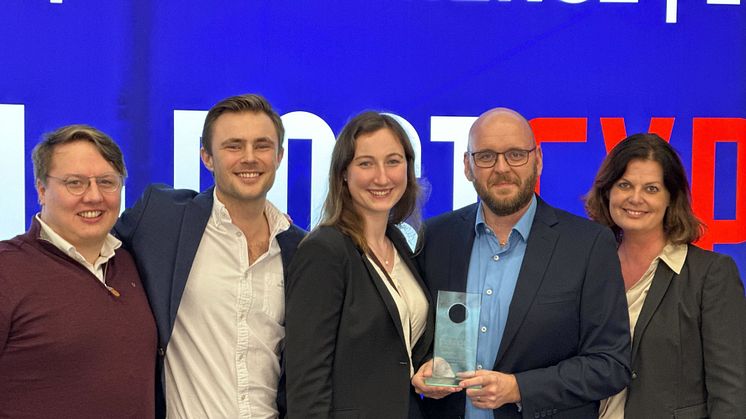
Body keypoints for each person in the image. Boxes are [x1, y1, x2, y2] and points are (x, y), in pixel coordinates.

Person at [412, 108, 631, 419]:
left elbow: (610, 364)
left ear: (538, 159)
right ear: (467, 166)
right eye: (486, 156)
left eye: (516, 154)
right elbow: (418, 340)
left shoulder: (587, 245)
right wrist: (424, 370)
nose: (502, 168)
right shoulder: (435, 238)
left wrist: (519, 388)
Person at [114, 94, 305, 418]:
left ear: (279, 156)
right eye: (233, 146)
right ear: (207, 157)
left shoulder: (299, 248)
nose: (249, 158)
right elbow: (88, 251)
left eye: (262, 146)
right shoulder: (162, 217)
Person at [584, 133, 746, 418]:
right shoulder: (586, 268)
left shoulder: (711, 275)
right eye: (625, 185)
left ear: (672, 197)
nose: (636, 198)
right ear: (607, 191)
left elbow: (730, 391)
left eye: (651, 189)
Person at [284, 111, 434, 418]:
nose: (382, 177)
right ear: (343, 173)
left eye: (393, 161)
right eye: (366, 163)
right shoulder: (324, 251)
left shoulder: (401, 245)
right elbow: (306, 381)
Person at [0, 125, 156, 418]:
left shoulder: (131, 263)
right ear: (41, 190)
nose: (94, 197)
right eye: (75, 183)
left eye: (107, 182)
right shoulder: (6, 269)